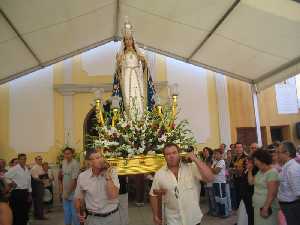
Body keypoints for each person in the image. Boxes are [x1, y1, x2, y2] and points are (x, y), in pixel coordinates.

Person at [149, 143, 214, 225]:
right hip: (173, 220)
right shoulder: (159, 174)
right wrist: (155, 215)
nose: (171, 156)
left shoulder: (191, 167)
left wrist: (196, 159)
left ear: (179, 153)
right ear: (164, 156)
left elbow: (210, 178)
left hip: (193, 219)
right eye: (168, 154)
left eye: (174, 153)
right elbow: (153, 194)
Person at [112, 19, 156, 118]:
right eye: (126, 39)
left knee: (139, 96)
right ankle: (130, 116)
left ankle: (141, 116)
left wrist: (143, 61)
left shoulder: (138, 53)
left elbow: (145, 69)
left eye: (130, 39)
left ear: (133, 40)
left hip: (137, 77)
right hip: (126, 78)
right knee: (128, 97)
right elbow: (118, 72)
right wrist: (119, 64)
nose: (128, 41)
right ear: (124, 41)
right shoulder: (121, 55)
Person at [74, 151, 121, 225]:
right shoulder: (83, 177)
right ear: (89, 162)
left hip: (112, 216)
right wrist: (78, 212)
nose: (100, 160)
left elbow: (113, 196)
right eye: (96, 158)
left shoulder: (112, 172)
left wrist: (108, 177)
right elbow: (78, 198)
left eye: (101, 157)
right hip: (93, 218)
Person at [248, 149, 279, 225]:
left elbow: (272, 193)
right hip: (258, 206)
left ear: (262, 159)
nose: (255, 163)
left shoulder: (272, 172)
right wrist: (249, 170)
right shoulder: (260, 172)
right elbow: (251, 182)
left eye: (256, 160)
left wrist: (266, 207)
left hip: (267, 207)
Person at [276, 141, 300, 225]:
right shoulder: (286, 167)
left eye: (278, 152)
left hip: (293, 207)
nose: (277, 155)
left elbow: (298, 192)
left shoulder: (292, 169)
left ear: (287, 153)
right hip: (287, 207)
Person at [5, 154, 32, 225]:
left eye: (25, 159)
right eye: (22, 159)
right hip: (17, 193)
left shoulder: (26, 169)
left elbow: (29, 182)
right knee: (17, 212)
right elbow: (5, 177)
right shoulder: (14, 168)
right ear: (19, 160)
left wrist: (29, 193)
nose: (24, 160)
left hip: (25, 192)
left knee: (25, 211)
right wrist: (12, 183)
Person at [61, 147, 80, 225]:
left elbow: (74, 180)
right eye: (65, 154)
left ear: (72, 154)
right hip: (65, 191)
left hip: (73, 192)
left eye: (68, 153)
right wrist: (62, 190)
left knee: (74, 213)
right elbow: (62, 176)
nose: (67, 155)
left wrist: (68, 192)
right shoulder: (63, 162)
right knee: (66, 212)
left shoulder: (75, 163)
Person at [211, 148, 229, 218]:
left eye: (216, 154)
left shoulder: (222, 161)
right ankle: (220, 212)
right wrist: (212, 169)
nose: (215, 155)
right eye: (214, 154)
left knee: (222, 197)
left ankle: (225, 213)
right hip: (215, 181)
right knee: (217, 198)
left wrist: (212, 169)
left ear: (221, 154)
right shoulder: (215, 161)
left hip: (220, 182)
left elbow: (216, 171)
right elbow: (212, 170)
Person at [31, 155, 46, 219]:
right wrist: (43, 179)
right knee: (38, 201)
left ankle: (38, 215)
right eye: (39, 159)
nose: (40, 160)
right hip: (37, 185)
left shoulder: (41, 167)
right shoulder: (34, 168)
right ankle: (40, 215)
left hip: (41, 184)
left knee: (39, 201)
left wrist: (45, 178)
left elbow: (43, 175)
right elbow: (35, 178)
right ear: (36, 160)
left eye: (41, 159)